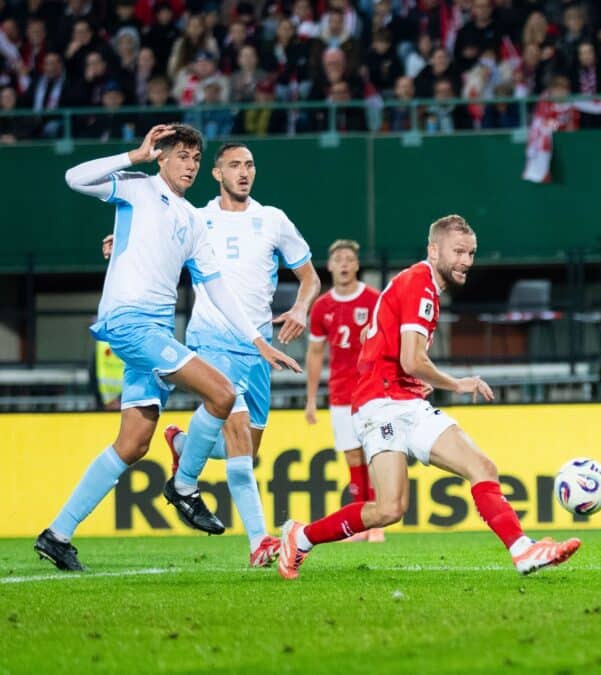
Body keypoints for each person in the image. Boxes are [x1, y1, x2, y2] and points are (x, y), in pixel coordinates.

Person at [37, 124, 301, 572]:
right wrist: (132, 156)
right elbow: (73, 179)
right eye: (181, 156)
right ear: (161, 158)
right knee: (221, 393)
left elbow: (216, 287)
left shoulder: (193, 220)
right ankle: (183, 487)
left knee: (135, 440)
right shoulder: (138, 189)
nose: (190, 165)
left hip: (158, 329)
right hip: (130, 323)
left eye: (195, 159)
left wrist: (258, 341)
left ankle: (56, 535)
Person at [277, 215, 582, 579]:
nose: (466, 261)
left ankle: (522, 551)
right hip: (382, 402)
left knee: (481, 467)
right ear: (433, 250)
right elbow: (412, 359)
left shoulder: (422, 285)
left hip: (406, 400)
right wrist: (458, 383)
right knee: (389, 508)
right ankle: (302, 536)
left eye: (471, 253)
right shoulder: (420, 284)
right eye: (458, 252)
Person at [157, 143, 319, 567]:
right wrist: (119, 240)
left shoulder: (273, 219)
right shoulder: (197, 217)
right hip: (211, 343)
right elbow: (154, 241)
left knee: (243, 451)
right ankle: (259, 542)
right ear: (217, 173)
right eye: (234, 165)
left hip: (257, 350)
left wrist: (301, 307)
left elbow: (309, 277)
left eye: (249, 165)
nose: (244, 172)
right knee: (240, 443)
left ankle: (185, 444)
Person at [304, 239, 384, 542]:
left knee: (375, 451)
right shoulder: (322, 306)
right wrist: (311, 399)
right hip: (340, 393)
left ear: (357, 264)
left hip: (373, 390)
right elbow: (314, 354)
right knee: (352, 456)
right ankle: (360, 522)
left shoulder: (374, 299)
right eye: (338, 259)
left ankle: (377, 521)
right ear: (330, 265)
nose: (345, 264)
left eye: (350, 258)